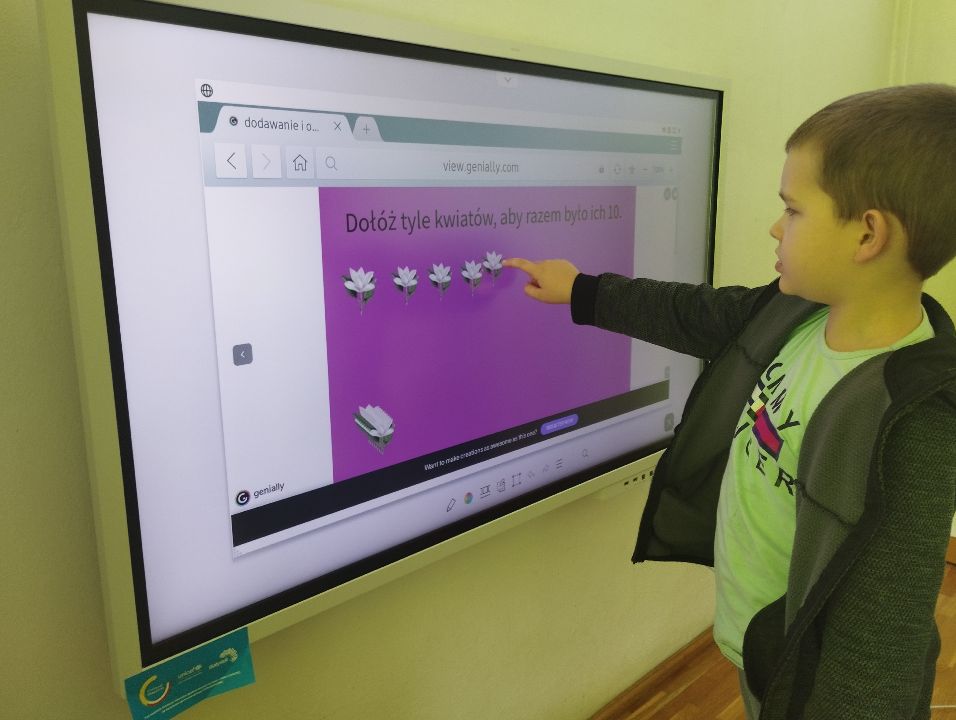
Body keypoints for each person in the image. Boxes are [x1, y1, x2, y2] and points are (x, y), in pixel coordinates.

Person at [504, 84, 956, 720]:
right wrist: (583, 290)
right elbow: (694, 314)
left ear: (866, 235)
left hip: (804, 680)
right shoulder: (795, 315)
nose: (775, 226)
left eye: (793, 211)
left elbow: (885, 632)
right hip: (760, 644)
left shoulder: (910, 419)